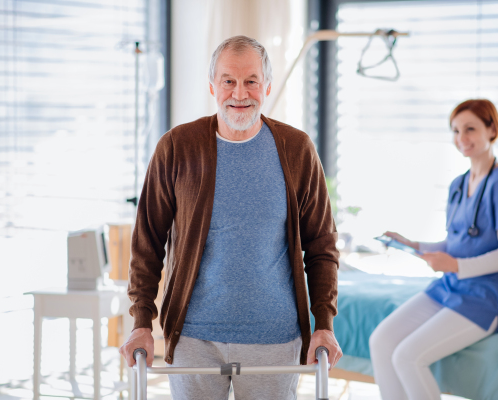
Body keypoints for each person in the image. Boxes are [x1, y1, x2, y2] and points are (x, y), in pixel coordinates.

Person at [118, 35, 342, 400]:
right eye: (229, 81)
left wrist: (325, 324)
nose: (240, 93)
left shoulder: (297, 149)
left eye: (251, 81)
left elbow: (322, 245)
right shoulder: (176, 147)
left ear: (266, 86)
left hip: (275, 338)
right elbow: (147, 243)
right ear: (212, 86)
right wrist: (141, 321)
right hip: (193, 338)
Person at [369, 99, 498, 400]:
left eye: (470, 129)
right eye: (455, 131)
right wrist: (412, 244)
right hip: (450, 287)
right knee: (381, 340)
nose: (461, 138)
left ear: (492, 129)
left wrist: (455, 266)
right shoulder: (459, 184)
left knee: (407, 356)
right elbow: (457, 244)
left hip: (485, 298)